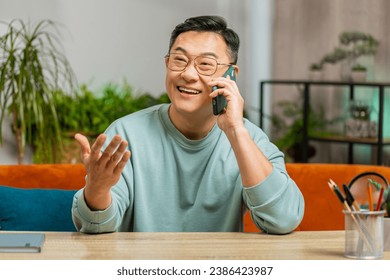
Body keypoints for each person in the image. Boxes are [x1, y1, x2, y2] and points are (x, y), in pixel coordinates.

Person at [72, 15, 304, 233]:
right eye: (179, 60)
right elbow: (95, 227)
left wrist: (235, 132)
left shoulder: (249, 139)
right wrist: (97, 190)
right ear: (167, 64)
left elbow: (283, 220)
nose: (188, 74)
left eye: (205, 64)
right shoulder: (125, 134)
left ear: (231, 75)